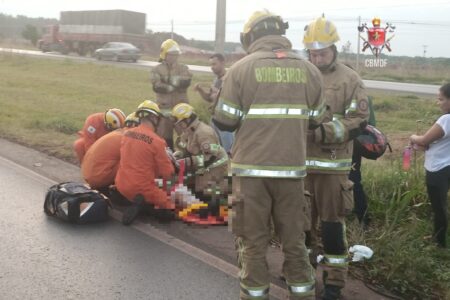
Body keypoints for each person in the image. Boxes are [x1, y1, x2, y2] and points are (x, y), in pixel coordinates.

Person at [213, 10, 326, 300]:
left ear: (250, 36)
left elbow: (225, 121)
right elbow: (316, 120)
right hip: (291, 173)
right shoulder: (310, 71)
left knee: (251, 244)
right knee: (295, 243)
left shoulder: (240, 69)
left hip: (249, 174)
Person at [302, 17, 370, 299]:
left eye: (322, 53)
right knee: (301, 226)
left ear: (334, 50)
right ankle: (300, 272)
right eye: (312, 53)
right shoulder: (302, 74)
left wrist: (323, 132)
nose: (317, 58)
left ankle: (334, 284)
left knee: (332, 228)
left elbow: (360, 120)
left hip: (332, 167)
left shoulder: (349, 79)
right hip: (302, 166)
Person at [115, 100, 176, 225]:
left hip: (121, 184)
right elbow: (167, 173)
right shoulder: (157, 141)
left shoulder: (127, 134)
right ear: (154, 117)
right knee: (172, 206)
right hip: (142, 189)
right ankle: (145, 207)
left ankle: (133, 201)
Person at [410, 83, 450, 248]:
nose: (438, 103)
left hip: (438, 168)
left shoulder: (446, 119)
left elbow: (424, 140)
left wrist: (413, 137)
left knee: (439, 206)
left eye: (441, 99)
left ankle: (438, 243)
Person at [171, 103, 229, 202]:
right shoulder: (189, 131)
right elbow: (188, 148)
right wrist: (179, 155)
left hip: (214, 170)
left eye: (181, 123)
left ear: (188, 119)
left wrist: (186, 161)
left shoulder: (204, 133)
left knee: (206, 198)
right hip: (202, 169)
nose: (180, 127)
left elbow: (209, 158)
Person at [150, 39, 193, 149]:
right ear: (164, 54)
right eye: (171, 54)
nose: (174, 57)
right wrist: (175, 84)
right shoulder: (156, 69)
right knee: (165, 140)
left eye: (176, 54)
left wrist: (166, 81)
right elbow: (157, 87)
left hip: (181, 111)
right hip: (164, 112)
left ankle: (186, 159)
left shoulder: (184, 68)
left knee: (187, 138)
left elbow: (185, 82)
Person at [81, 113, 140, 191]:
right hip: (97, 178)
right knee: (134, 163)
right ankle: (122, 191)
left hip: (89, 173)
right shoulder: (129, 138)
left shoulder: (118, 134)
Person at [193, 53, 234, 153]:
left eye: (214, 64)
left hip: (225, 120)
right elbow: (210, 99)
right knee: (215, 147)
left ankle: (229, 166)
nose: (212, 67)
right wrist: (200, 90)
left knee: (228, 149)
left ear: (223, 63)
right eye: (211, 65)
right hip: (215, 118)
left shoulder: (229, 79)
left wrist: (218, 93)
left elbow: (230, 99)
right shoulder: (216, 80)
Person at [349, 96, 376, 227]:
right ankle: (362, 219)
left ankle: (362, 218)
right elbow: (372, 125)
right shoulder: (363, 93)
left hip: (342, 146)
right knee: (354, 180)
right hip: (355, 146)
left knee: (351, 181)